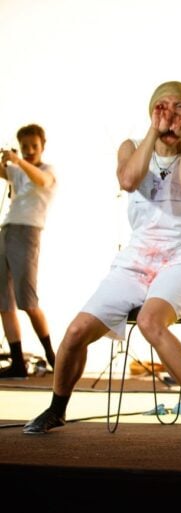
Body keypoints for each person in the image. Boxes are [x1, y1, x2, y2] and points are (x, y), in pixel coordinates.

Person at [22, 81, 181, 441]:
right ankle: (57, 410)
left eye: (180, 107)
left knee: (150, 320)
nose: (171, 114)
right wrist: (154, 131)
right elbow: (129, 179)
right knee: (73, 334)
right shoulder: (132, 147)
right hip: (136, 261)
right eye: (163, 107)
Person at [0, 125, 57, 378]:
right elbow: (5, 173)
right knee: (3, 301)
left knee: (28, 301)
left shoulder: (47, 171)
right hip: (7, 230)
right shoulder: (17, 169)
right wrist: (5, 160)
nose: (29, 151)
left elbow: (41, 180)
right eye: (25, 147)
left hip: (27, 233)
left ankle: (52, 356)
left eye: (34, 146)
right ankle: (17, 363)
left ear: (42, 145)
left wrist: (17, 162)